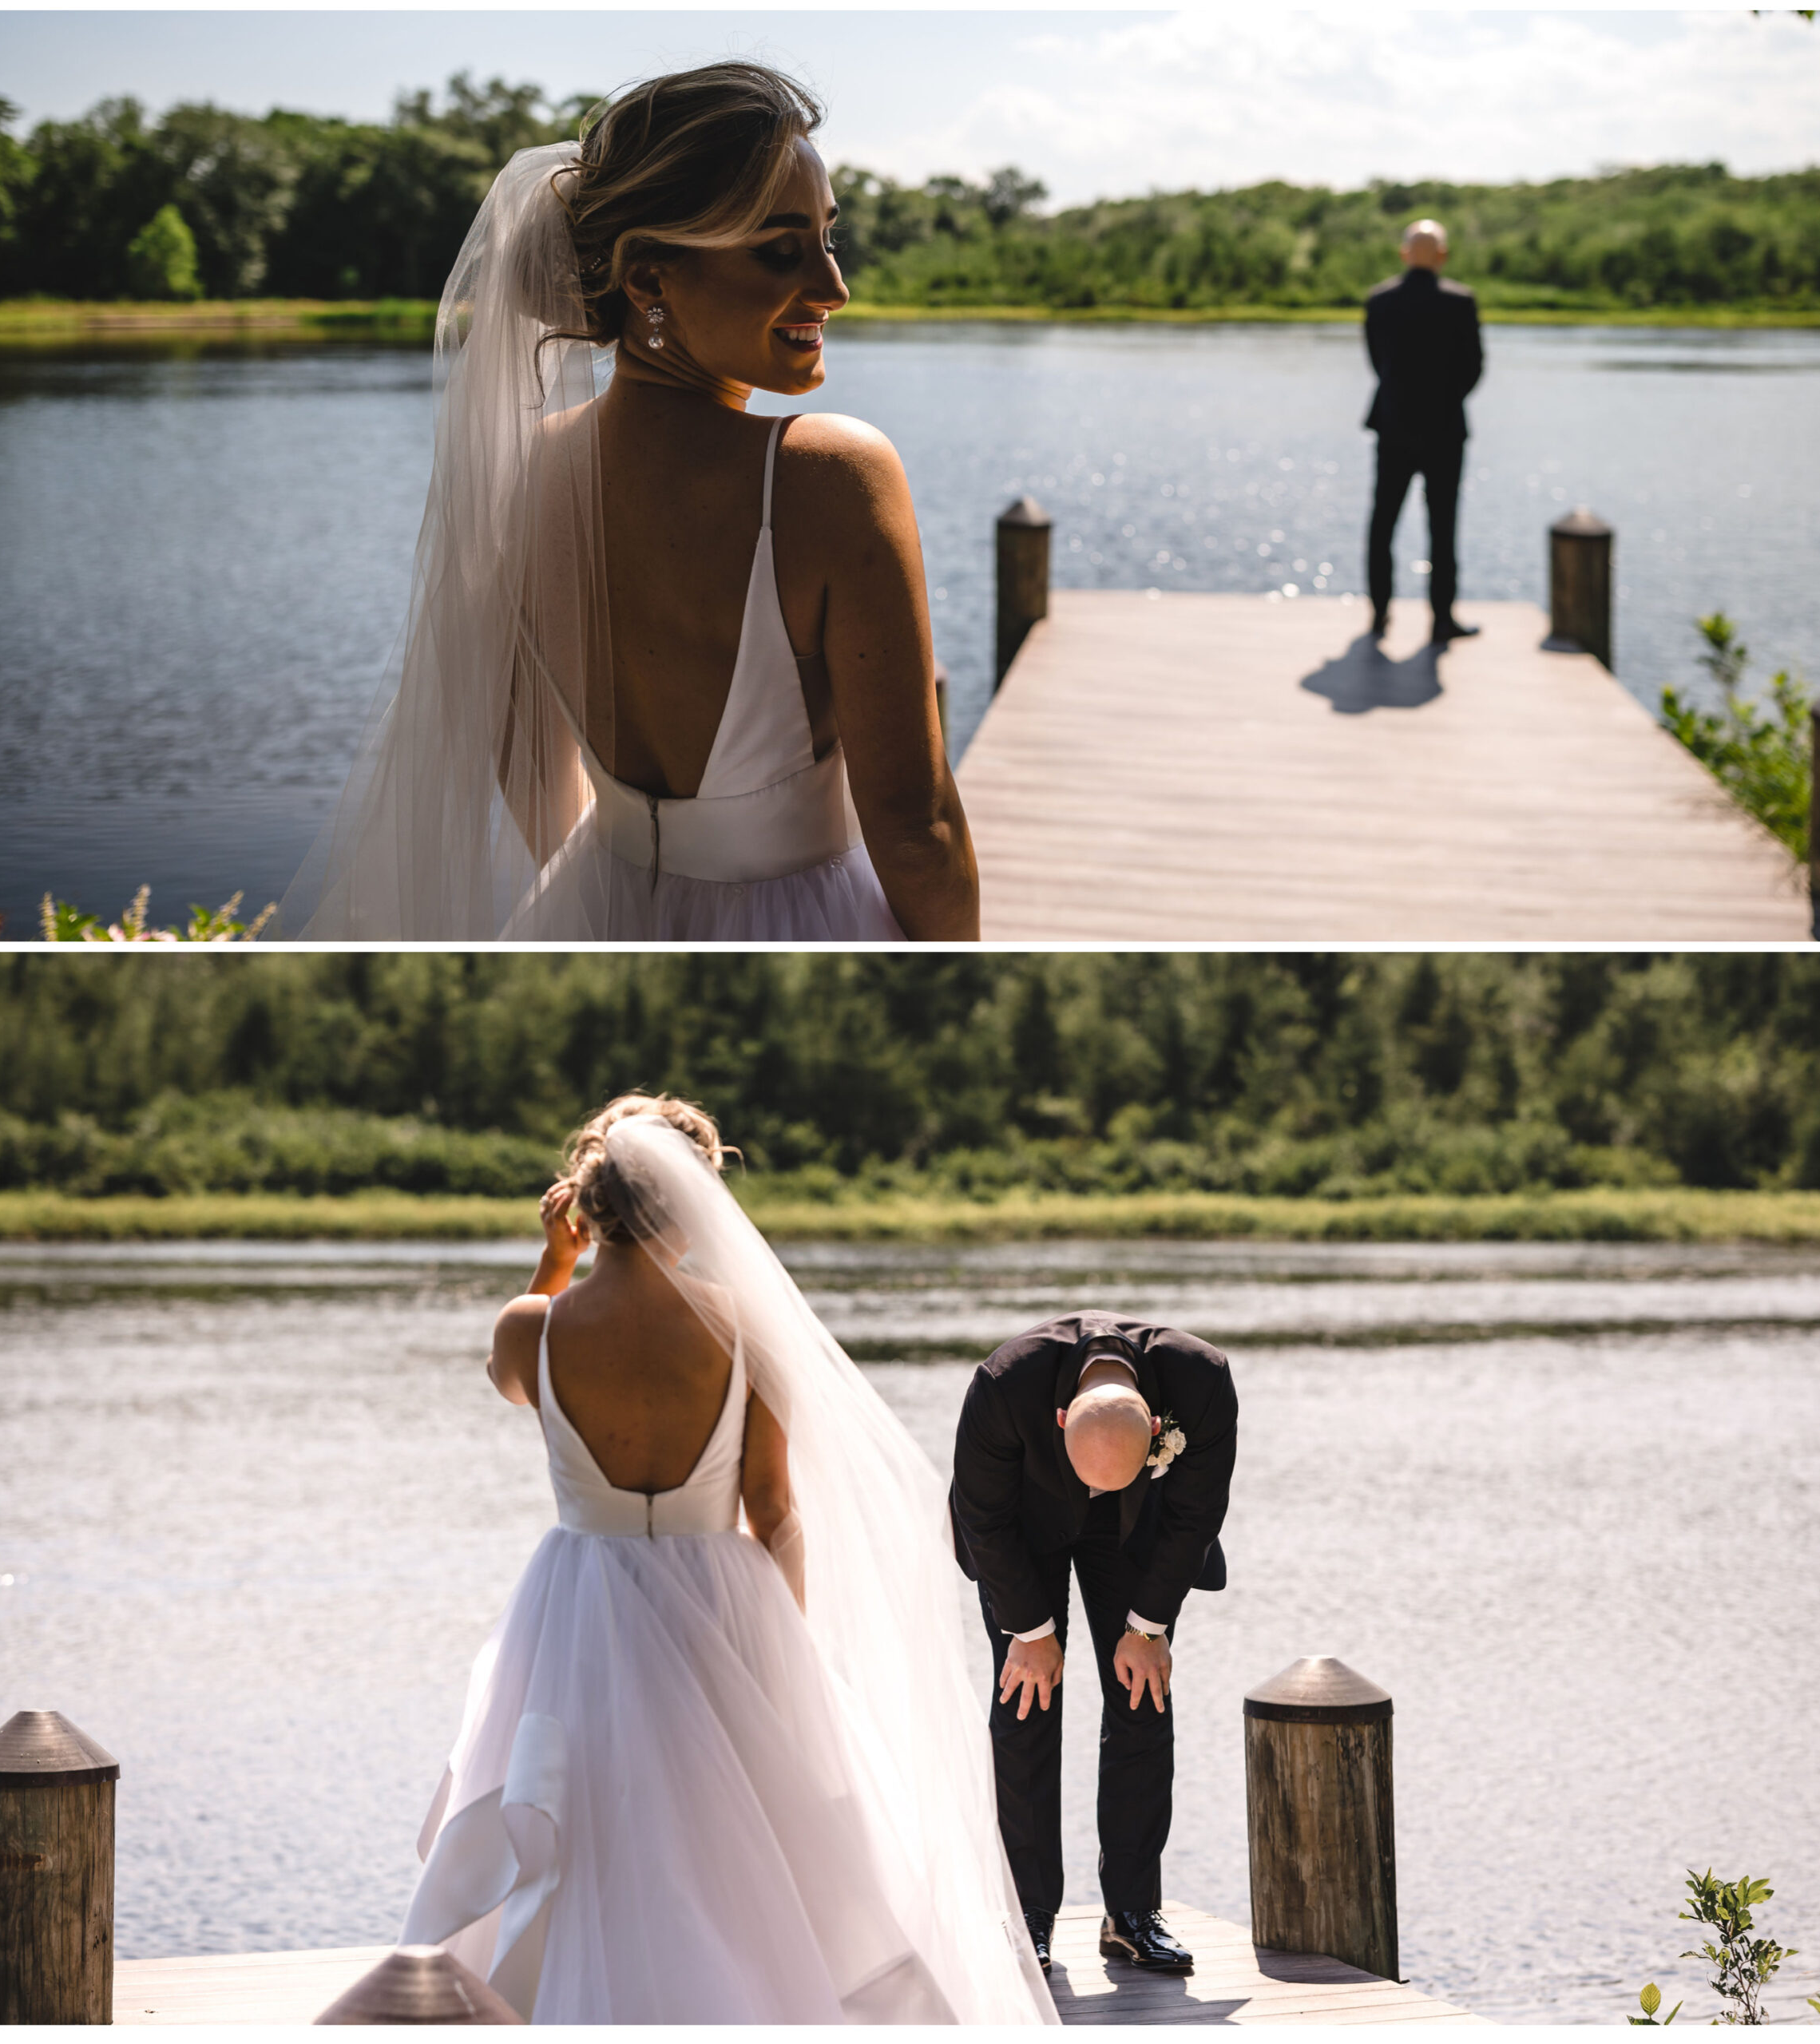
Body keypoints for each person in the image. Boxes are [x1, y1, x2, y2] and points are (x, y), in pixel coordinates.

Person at [398, 1094, 1055, 2023]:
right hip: (718, 1593)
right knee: (739, 1827)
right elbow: (773, 1510)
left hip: (580, 1596)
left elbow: (515, 1389)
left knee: (582, 1810)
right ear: (697, 1201)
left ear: (584, 1205)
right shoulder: (744, 1330)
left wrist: (554, 1262)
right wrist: (780, 1636)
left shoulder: (530, 1329)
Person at [283, 63, 977, 939]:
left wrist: (618, 896)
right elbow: (918, 833)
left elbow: (524, 761)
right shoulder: (829, 476)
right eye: (780, 248)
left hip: (594, 905)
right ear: (648, 281)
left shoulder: (520, 473)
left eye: (828, 240)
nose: (833, 286)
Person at [949, 1312, 1238, 1979]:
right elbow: (982, 1515)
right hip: (1023, 1528)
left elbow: (1196, 1513)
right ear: (1060, 1423)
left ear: (1155, 1430)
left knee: (1144, 1697)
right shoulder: (1002, 1385)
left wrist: (1148, 1629)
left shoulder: (1202, 1381)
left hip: (1139, 1530)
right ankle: (1027, 1917)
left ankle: (1131, 1915)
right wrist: (1033, 1632)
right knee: (1025, 1705)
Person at [1362, 217, 1485, 644]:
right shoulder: (1460, 302)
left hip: (1392, 425)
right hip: (1445, 430)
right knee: (1443, 528)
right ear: (1444, 256)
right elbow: (1474, 369)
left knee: (1383, 524)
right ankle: (1442, 620)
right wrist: (1444, 402)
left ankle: (1379, 616)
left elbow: (1377, 362)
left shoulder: (1379, 301)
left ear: (1404, 253)